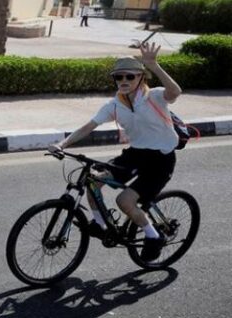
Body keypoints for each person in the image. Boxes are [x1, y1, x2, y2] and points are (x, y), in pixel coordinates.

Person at [49, 43, 182, 262]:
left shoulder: (154, 97)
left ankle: (153, 235)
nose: (124, 81)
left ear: (141, 78)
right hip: (134, 155)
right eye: (118, 77)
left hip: (160, 159)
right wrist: (62, 145)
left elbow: (175, 92)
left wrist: (154, 65)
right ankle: (100, 225)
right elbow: (88, 127)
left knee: (124, 201)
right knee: (92, 183)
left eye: (130, 76)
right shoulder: (115, 104)